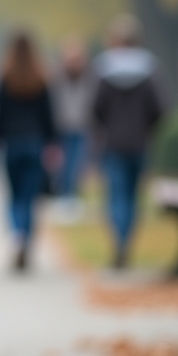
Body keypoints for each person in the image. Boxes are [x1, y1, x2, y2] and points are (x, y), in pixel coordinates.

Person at [92, 15, 165, 270]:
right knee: (133, 197)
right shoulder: (149, 69)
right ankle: (127, 243)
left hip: (113, 143)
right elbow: (159, 109)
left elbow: (95, 108)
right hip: (139, 142)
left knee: (116, 196)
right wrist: (147, 129)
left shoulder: (104, 70)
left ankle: (119, 243)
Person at [0, 30, 57, 272]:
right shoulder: (41, 78)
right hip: (34, 142)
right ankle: (27, 240)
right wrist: (52, 141)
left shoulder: (5, 77)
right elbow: (49, 115)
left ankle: (17, 235)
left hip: (11, 142)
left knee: (14, 196)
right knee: (30, 197)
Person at [51, 37, 94, 221]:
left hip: (82, 125)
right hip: (63, 125)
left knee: (78, 163)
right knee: (64, 163)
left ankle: (72, 195)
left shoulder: (89, 77)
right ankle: (64, 195)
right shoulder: (58, 78)